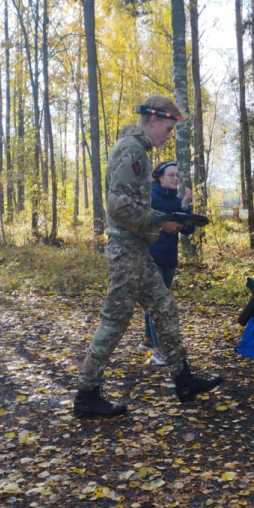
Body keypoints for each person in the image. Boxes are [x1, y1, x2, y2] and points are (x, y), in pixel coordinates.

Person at [74, 95, 222, 417]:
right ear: (153, 120)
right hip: (126, 250)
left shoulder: (135, 149)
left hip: (137, 249)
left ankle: (184, 380)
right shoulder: (132, 150)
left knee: (164, 308)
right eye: (167, 129)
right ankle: (86, 394)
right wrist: (161, 222)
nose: (168, 136)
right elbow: (118, 207)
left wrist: (164, 220)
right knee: (115, 320)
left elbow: (131, 205)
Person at [138, 161, 195, 365]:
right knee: (159, 302)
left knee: (156, 301)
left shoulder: (177, 200)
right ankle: (159, 350)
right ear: (160, 177)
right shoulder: (150, 197)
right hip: (150, 255)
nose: (175, 178)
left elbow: (188, 230)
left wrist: (185, 205)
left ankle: (147, 340)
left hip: (170, 258)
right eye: (171, 175)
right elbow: (141, 222)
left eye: (178, 175)